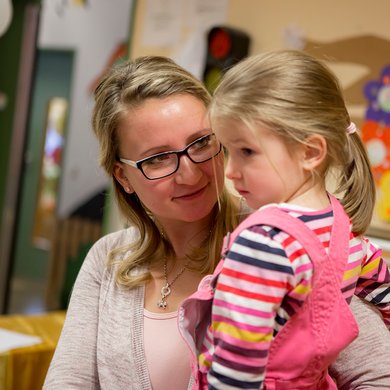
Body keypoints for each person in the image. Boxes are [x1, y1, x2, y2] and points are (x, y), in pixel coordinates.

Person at [43, 55, 390, 389]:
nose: (191, 173)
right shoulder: (108, 257)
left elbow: (379, 377)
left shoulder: (283, 245)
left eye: (201, 142)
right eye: (160, 158)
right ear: (123, 177)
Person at [182, 50, 390, 389]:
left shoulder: (262, 243)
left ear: (310, 152)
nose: (231, 171)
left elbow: (236, 367)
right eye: (228, 151)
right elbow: (384, 290)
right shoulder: (347, 236)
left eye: (246, 152)